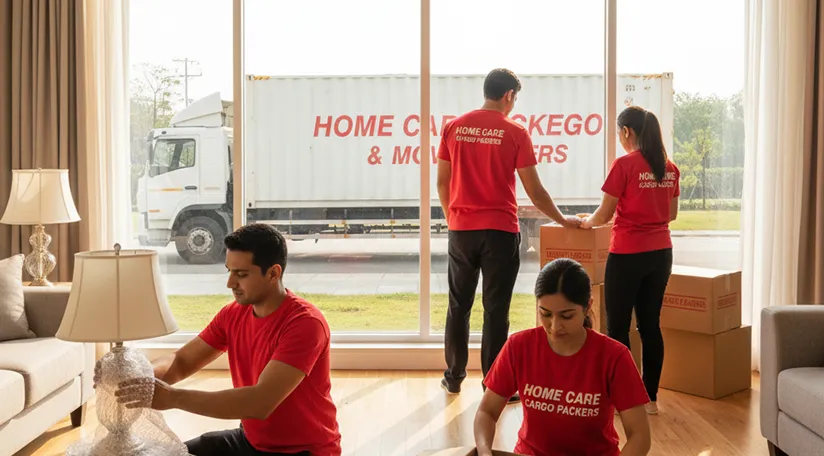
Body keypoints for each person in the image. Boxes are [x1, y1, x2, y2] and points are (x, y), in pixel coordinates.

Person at [108, 223, 341, 456]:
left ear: (273, 273)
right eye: (229, 271)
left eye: (241, 274)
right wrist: (138, 378)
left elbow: (260, 402)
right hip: (250, 441)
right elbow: (181, 361)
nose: (230, 283)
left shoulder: (305, 324)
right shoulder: (233, 314)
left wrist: (173, 398)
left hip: (304, 452)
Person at [437, 68, 581, 400]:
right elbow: (535, 190)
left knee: (458, 305)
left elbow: (442, 183)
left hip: (462, 231)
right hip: (500, 232)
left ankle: (454, 376)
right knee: (495, 308)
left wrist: (454, 219)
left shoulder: (454, 127)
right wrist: (561, 219)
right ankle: (493, 382)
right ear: (509, 96)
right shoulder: (515, 131)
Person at [474, 258, 651, 456]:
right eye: (546, 314)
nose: (555, 327)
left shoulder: (614, 356)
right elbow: (486, 412)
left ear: (587, 307)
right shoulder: (519, 346)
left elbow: (640, 436)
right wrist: (484, 452)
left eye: (567, 316)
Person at [579, 105, 680, 415]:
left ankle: (624, 397)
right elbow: (672, 215)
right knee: (650, 325)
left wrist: (586, 222)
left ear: (627, 132)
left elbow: (605, 214)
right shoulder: (669, 168)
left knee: (619, 327)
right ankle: (650, 399)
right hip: (661, 254)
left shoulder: (624, 165)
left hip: (627, 255)